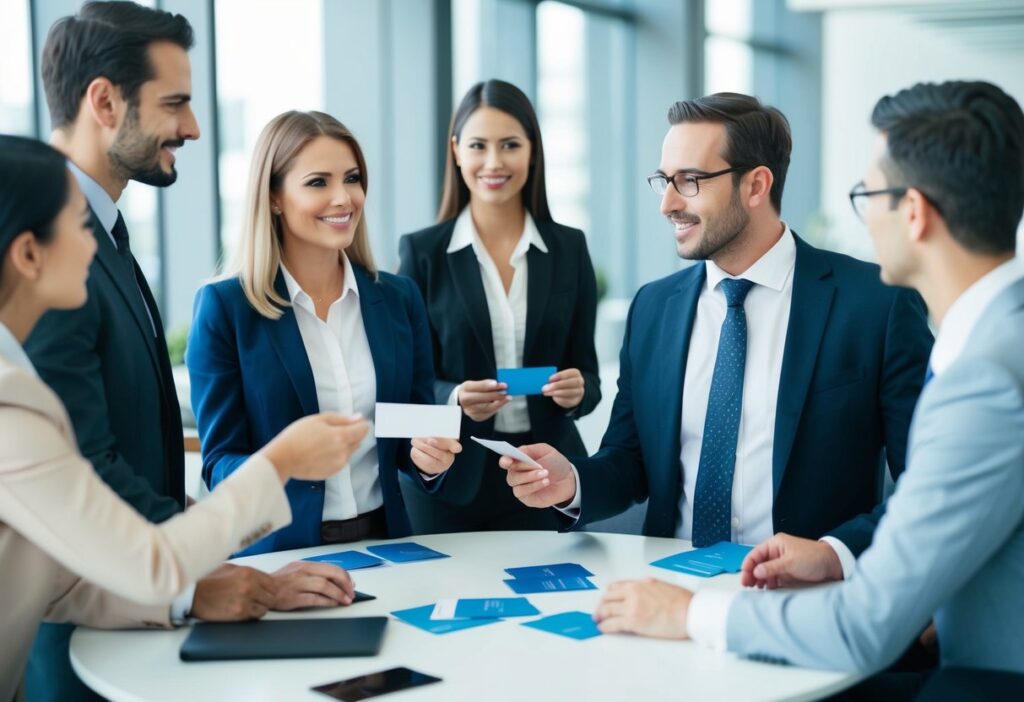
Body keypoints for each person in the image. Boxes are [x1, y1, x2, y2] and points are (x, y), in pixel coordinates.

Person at [593, 80, 1024, 699]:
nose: (864, 215)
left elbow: (866, 623)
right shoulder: (998, 340)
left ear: (914, 211)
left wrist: (686, 614)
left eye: (867, 194)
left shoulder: (982, 373)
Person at [24, 4, 356, 698]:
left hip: (136, 612)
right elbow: (90, 465)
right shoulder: (53, 250)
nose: (194, 128)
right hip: (88, 644)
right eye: (174, 103)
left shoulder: (104, 234)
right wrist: (201, 569)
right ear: (105, 102)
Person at [501, 93, 932, 563]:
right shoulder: (654, 308)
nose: (667, 203)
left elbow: (927, 483)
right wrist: (574, 483)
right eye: (664, 181)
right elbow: (631, 460)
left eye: (689, 181)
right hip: (672, 593)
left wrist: (833, 555)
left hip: (813, 603)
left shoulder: (875, 304)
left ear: (756, 185)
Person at [186, 110, 461, 554]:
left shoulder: (398, 298)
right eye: (318, 182)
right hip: (281, 556)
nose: (343, 198)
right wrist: (287, 458)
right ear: (274, 197)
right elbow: (219, 464)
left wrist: (429, 461)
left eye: (352, 178)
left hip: (389, 546)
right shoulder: (225, 307)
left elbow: (416, 430)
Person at [398, 79, 601, 532]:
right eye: (478, 146)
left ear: (532, 151)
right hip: (451, 479)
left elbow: (588, 376)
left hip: (546, 473)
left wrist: (578, 390)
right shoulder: (422, 253)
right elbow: (408, 381)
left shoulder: (569, 248)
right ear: (456, 152)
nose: (494, 162)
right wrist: (452, 397)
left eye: (510, 145)